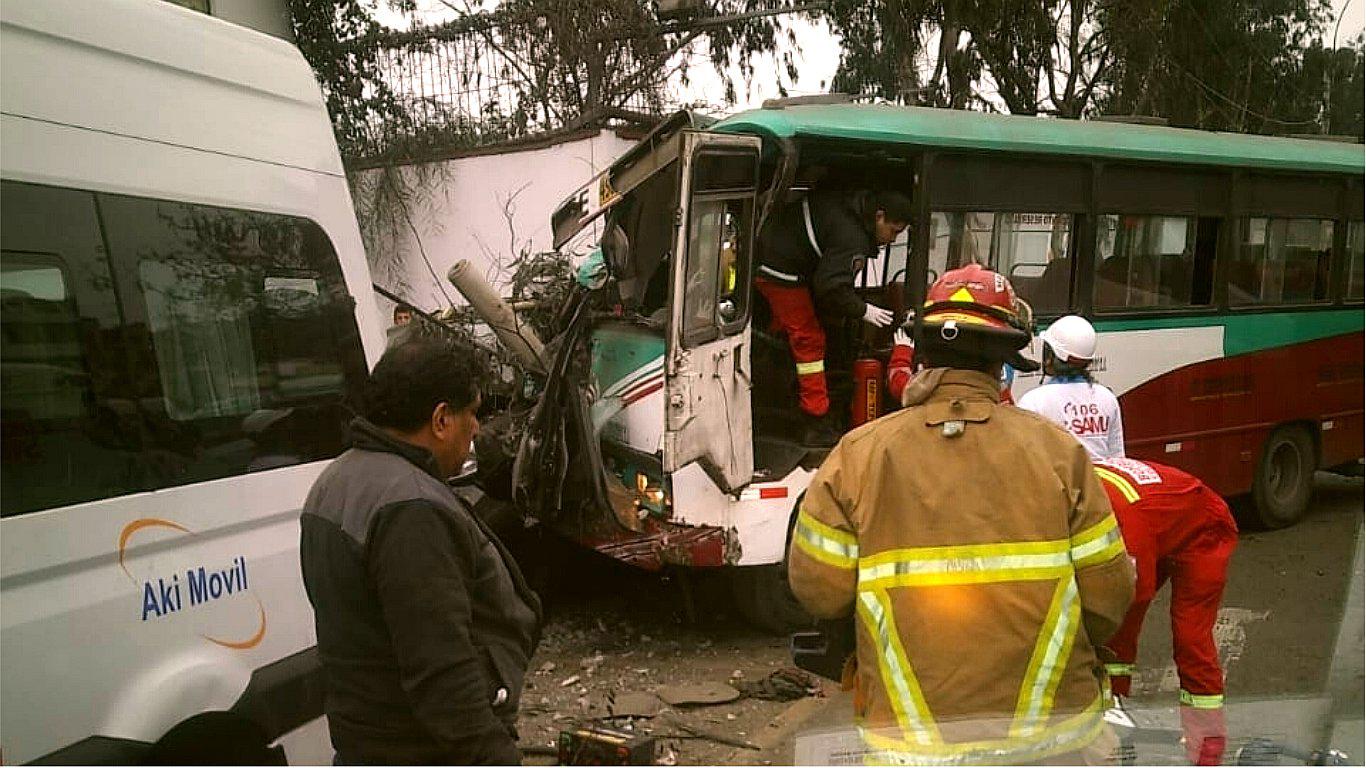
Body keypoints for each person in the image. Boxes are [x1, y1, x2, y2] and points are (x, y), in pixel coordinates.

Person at [788, 263, 1135, 764]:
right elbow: (1108, 602)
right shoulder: (1062, 455)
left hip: (912, 745)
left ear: (923, 351)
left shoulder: (856, 456)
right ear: (1004, 360)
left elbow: (820, 592)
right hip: (1049, 745)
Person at [300, 339, 542, 765]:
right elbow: (443, 672)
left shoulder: (334, 480)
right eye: (474, 413)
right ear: (441, 419)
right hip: (419, 751)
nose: (478, 430)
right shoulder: (412, 508)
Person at [1092, 457, 1238, 766]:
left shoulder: (1119, 513)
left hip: (1204, 529)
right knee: (1112, 631)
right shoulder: (1078, 493)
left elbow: (1134, 594)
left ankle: (1207, 751)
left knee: (1190, 639)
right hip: (1162, 519)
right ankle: (1113, 711)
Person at [754, 189, 911, 445]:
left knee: (808, 331)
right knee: (809, 339)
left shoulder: (849, 206)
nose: (893, 240)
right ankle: (815, 420)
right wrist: (864, 310)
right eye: (894, 231)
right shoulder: (852, 238)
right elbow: (831, 287)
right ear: (879, 217)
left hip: (778, 257)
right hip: (780, 270)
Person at [1017, 314, 1126, 459]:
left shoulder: (1033, 402)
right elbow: (1117, 458)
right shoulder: (1107, 398)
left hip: (1057, 481)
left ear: (1049, 356)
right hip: (1099, 481)